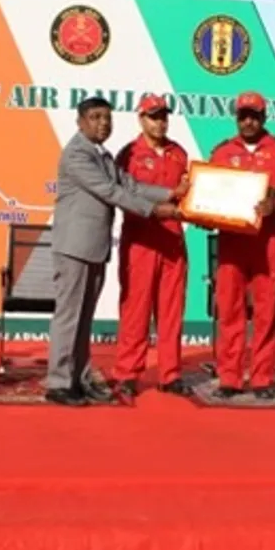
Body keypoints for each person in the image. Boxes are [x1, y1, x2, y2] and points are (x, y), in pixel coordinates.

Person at [46, 96, 183, 407]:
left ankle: (79, 379)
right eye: (94, 117)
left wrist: (172, 193)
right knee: (69, 317)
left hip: (93, 245)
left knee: (84, 319)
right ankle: (58, 383)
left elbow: (130, 184)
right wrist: (156, 210)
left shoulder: (103, 155)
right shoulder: (77, 155)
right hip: (74, 246)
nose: (102, 124)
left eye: (107, 118)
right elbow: (112, 192)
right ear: (80, 122)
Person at [207, 92, 275, 400]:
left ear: (264, 117)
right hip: (232, 240)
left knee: (265, 311)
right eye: (242, 115)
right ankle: (230, 377)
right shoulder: (222, 152)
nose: (248, 121)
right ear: (236, 117)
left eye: (254, 115)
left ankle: (262, 377)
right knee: (230, 310)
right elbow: (209, 192)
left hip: (267, 239)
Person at [112, 94, 192, 399]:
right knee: (136, 308)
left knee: (172, 310)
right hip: (141, 238)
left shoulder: (179, 154)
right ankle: (127, 373)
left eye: (163, 116)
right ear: (140, 119)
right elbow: (123, 195)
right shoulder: (128, 154)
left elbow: (190, 196)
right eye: (153, 116)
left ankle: (170, 374)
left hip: (172, 238)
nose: (159, 122)